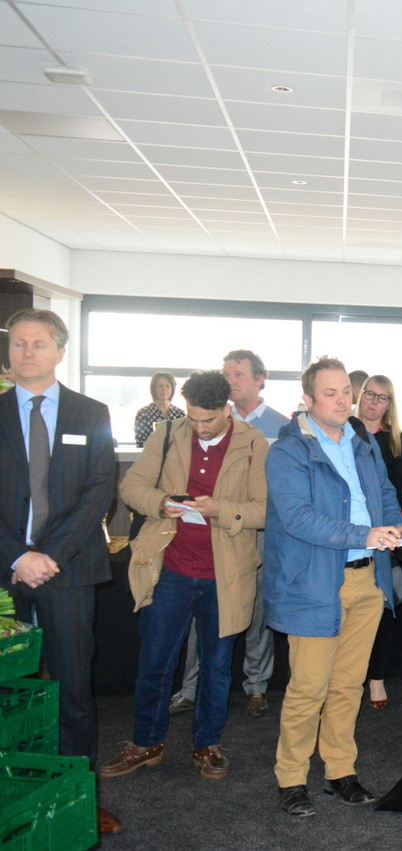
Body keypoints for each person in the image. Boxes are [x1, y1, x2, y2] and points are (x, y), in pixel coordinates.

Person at [264, 357, 402, 818]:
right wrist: (363, 534)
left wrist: (397, 522)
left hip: (367, 580)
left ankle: (339, 770)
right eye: (329, 393)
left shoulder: (362, 442)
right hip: (315, 582)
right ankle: (291, 778)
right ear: (307, 399)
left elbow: (384, 495)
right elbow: (298, 518)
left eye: (345, 392)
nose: (342, 401)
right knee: (308, 689)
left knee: (349, 685)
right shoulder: (288, 451)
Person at [106, 370, 268, 782]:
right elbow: (131, 487)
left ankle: (206, 745)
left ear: (227, 409)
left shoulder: (254, 444)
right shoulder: (166, 433)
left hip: (226, 575)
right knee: (155, 662)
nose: (199, 428)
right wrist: (161, 503)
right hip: (169, 569)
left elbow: (267, 509)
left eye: (208, 420)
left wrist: (221, 510)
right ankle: (146, 743)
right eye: (192, 418)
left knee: (217, 667)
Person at [0, 309, 120, 834]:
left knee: (73, 689)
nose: (27, 352)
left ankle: (77, 798)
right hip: (5, 571)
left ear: (60, 352)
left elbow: (99, 490)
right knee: (10, 692)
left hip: (67, 571)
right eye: (18, 343)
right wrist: (17, 555)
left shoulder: (90, 413)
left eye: (39, 344)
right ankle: (16, 795)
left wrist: (50, 556)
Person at [171, 349, 290, 719]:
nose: (230, 381)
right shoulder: (206, 420)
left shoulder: (281, 427)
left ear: (260, 380)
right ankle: (191, 688)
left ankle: (256, 686)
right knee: (202, 614)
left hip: (257, 529)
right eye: (226, 374)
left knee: (256, 611)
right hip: (208, 531)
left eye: (238, 374)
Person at [357, 375, 402, 713]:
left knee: (384, 606)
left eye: (383, 397)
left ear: (390, 404)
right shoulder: (344, 431)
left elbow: (397, 493)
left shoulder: (397, 441)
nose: (374, 402)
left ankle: (377, 677)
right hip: (348, 532)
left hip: (385, 532)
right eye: (370, 395)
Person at [134, 371, 185, 447]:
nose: (164, 389)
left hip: (175, 453)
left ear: (172, 389)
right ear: (154, 389)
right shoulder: (143, 413)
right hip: (151, 453)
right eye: (160, 386)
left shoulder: (180, 414)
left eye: (168, 386)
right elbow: (140, 442)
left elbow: (184, 440)